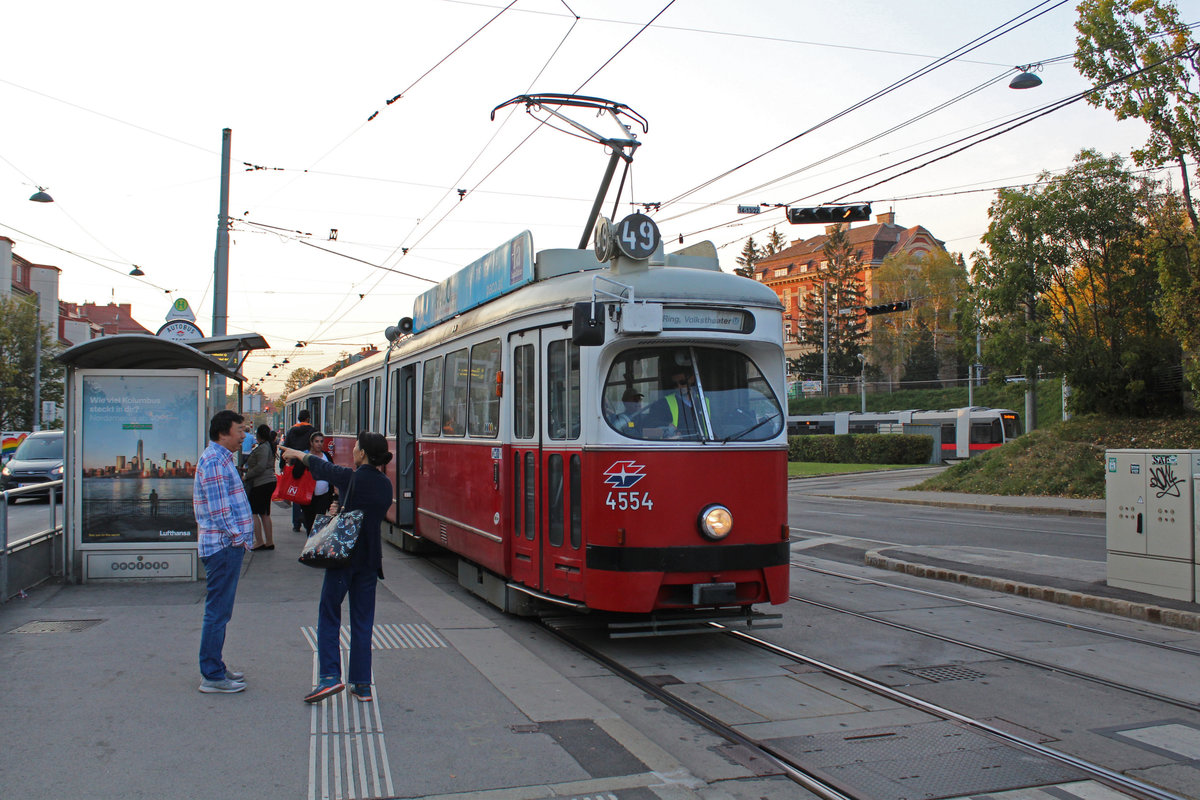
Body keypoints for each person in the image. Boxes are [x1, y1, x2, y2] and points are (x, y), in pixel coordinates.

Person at [280, 432, 393, 704]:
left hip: (344, 558)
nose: (353, 449)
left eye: (356, 446)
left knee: (329, 614)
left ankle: (330, 677)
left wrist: (295, 454)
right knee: (363, 622)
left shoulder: (351, 477)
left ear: (363, 453)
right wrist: (342, 506)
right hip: (370, 561)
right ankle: (362, 684)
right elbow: (365, 515)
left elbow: (321, 466)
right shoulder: (386, 485)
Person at [193, 410, 254, 694]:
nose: (244, 436)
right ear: (223, 433)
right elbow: (219, 511)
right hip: (223, 546)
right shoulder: (216, 461)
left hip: (223, 545)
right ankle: (212, 675)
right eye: (239, 430)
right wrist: (238, 537)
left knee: (220, 611)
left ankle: (215, 665)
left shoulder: (219, 458)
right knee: (217, 612)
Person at [642, 367, 708, 439]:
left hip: (704, 445)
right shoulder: (662, 404)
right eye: (675, 384)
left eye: (682, 382)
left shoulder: (705, 401)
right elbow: (646, 430)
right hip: (676, 447)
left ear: (692, 379)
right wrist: (666, 431)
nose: (679, 387)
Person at [242, 424, 278, 551]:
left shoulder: (263, 448)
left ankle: (259, 541)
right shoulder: (268, 446)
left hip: (261, 483)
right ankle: (269, 541)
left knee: (253, 512)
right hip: (268, 482)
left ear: (259, 435)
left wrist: (247, 476)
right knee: (264, 513)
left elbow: (260, 467)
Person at [281, 411, 315, 532]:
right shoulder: (312, 430)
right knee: (306, 491)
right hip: (307, 463)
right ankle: (307, 521)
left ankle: (296, 523)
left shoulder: (292, 430)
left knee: (295, 493)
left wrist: (282, 464)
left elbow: (286, 446)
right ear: (308, 418)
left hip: (294, 463)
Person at [299, 430, 336, 535]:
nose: (319, 444)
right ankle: (310, 546)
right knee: (309, 523)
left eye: (321, 441)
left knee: (320, 523)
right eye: (316, 441)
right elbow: (297, 473)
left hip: (323, 495)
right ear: (311, 443)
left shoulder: (326, 456)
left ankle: (316, 547)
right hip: (308, 496)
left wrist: (331, 496)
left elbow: (332, 473)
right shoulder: (305, 456)